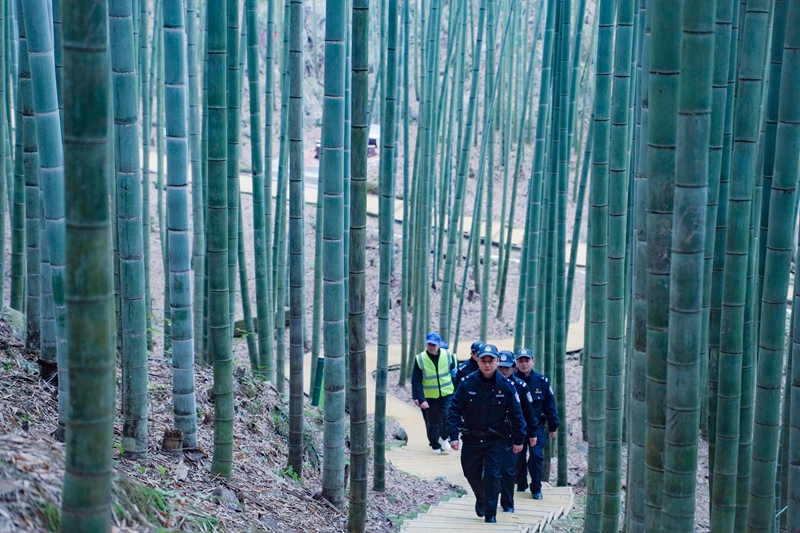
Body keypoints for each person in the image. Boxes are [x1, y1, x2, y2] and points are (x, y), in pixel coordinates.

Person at [447, 344, 526, 524]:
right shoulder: (467, 383)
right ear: (478, 361)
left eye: (491, 361)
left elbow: (517, 414)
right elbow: (454, 409)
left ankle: (490, 514)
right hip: (471, 438)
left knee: (492, 475)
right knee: (471, 473)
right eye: (484, 361)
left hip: (495, 440)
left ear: (497, 361)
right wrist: (452, 435)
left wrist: (519, 440)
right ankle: (480, 497)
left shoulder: (506, 386)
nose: (488, 365)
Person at [513, 347, 559, 500]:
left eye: (527, 360)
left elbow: (550, 405)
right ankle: (520, 483)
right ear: (516, 362)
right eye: (521, 360)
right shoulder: (511, 381)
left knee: (536, 456)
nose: (524, 364)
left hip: (537, 425)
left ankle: (536, 488)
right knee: (517, 456)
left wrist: (553, 425)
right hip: (517, 426)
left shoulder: (542, 382)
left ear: (533, 361)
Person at [496, 350, 538, 513]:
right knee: (490, 470)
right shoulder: (488, 384)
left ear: (513, 368)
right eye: (500, 367)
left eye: (507, 368)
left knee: (507, 470)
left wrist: (532, 433)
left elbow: (529, 412)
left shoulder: (520, 387)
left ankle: (507, 504)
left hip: (513, 434)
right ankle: (488, 502)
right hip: (492, 435)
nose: (503, 371)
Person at [411, 331, 457, 453]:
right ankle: (435, 445)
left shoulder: (447, 354)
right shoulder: (420, 359)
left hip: (447, 393)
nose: (431, 347)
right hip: (430, 396)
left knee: (448, 415)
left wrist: (458, 390)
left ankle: (445, 437)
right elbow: (416, 381)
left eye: (434, 344)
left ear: (439, 344)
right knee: (432, 421)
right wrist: (421, 399)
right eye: (429, 344)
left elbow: (454, 373)